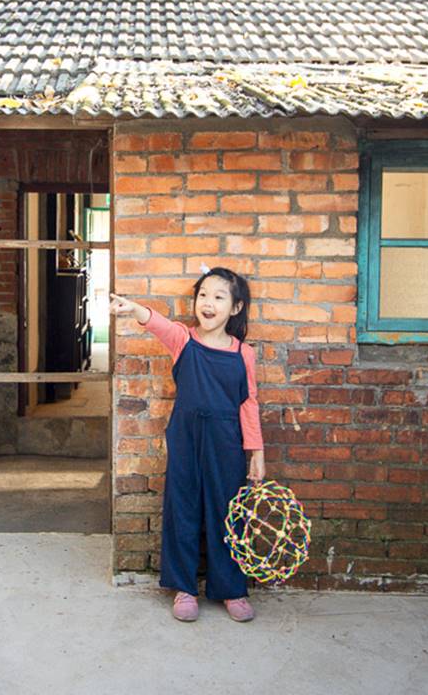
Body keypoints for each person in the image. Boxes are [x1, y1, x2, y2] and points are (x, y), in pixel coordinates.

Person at [110, 267, 264, 623]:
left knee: (228, 513)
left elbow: (249, 403)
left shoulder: (244, 354)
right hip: (185, 436)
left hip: (226, 443)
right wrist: (134, 309)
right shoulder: (183, 340)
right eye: (203, 295)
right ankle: (183, 587)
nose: (208, 304)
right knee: (182, 508)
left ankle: (232, 589)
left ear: (236, 308)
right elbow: (158, 322)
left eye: (218, 297)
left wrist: (256, 453)